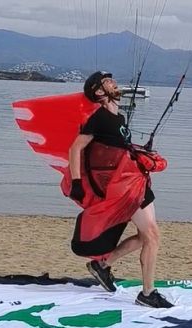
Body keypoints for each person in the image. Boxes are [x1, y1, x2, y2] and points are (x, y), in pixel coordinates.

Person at [66, 71, 173, 308]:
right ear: (99, 92)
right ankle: (147, 293)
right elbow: (75, 149)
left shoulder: (119, 117)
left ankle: (102, 265)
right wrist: (76, 183)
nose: (114, 82)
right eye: (107, 81)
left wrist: (140, 153)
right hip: (124, 188)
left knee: (147, 236)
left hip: (136, 181)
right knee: (152, 236)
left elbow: (117, 150)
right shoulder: (99, 117)